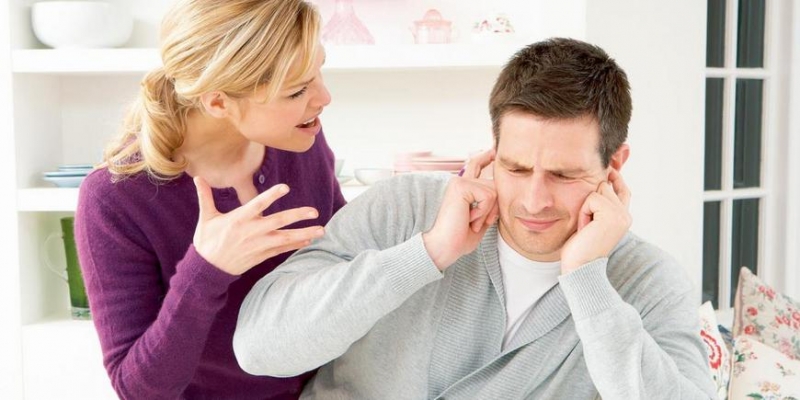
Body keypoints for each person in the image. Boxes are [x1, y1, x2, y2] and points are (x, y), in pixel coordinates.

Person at [233, 38, 717, 399]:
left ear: (614, 165)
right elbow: (260, 349)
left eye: (564, 175)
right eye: (516, 168)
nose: (534, 201)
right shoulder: (402, 207)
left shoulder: (648, 281)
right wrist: (428, 253)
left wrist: (588, 280)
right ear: (491, 152)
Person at [73, 0, 343, 398]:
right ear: (218, 102)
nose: (324, 97)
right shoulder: (114, 198)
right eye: (297, 91)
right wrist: (208, 270)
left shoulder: (299, 141)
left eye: (320, 70)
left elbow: (345, 266)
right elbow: (139, 389)